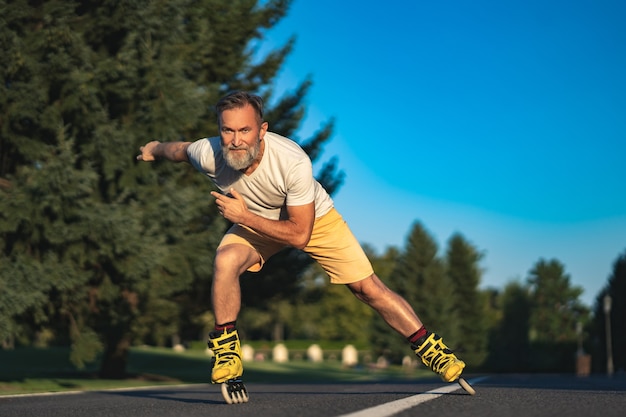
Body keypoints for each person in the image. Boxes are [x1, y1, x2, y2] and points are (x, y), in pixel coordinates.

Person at [137, 91, 467, 403]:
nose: (236, 140)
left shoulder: (292, 161)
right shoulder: (208, 153)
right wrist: (154, 148)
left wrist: (244, 216)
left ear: (262, 130)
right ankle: (226, 353)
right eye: (227, 130)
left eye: (245, 130)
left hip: (311, 221)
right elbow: (178, 150)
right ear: (219, 130)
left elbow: (299, 235)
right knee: (225, 260)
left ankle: (433, 350)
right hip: (255, 221)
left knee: (367, 288)